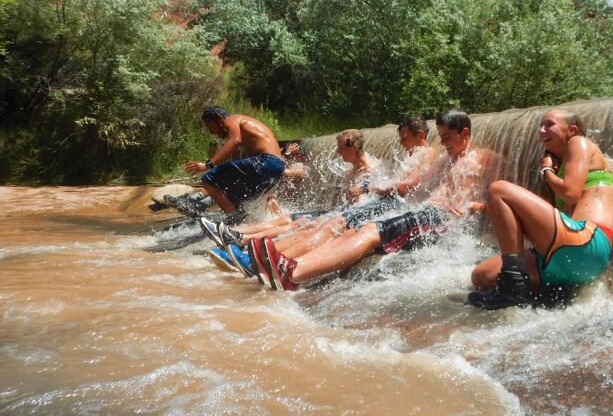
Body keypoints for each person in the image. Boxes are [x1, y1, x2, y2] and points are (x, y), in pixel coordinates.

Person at [256, 109, 494, 291]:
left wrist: (477, 206)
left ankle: (292, 275)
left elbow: (501, 196)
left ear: (465, 133)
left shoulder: (486, 158)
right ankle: (290, 264)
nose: (442, 143)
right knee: (352, 231)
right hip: (423, 212)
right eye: (440, 137)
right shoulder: (446, 160)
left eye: (447, 137)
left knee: (370, 231)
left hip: (441, 221)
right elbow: (416, 189)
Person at [224, 115, 438, 263]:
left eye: (405, 138)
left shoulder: (424, 155)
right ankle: (246, 245)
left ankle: (260, 255)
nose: (402, 144)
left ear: (420, 135)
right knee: (311, 222)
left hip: (390, 209)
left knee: (318, 224)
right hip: (378, 206)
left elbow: (402, 188)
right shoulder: (411, 157)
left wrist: (365, 187)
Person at [467, 108, 613, 310]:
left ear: (571, 130)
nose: (541, 130)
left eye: (549, 124)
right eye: (540, 125)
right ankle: (543, 295)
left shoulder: (579, 142)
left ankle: (513, 287)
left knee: (498, 190)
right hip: (569, 257)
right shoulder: (564, 166)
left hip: (587, 243)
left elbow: (570, 193)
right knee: (481, 276)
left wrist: (546, 171)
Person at [180, 106, 286, 215]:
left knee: (208, 178)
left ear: (219, 119)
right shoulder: (248, 135)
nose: (211, 132)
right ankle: (243, 220)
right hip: (276, 166)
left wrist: (208, 164)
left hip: (266, 161)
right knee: (233, 195)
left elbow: (235, 141)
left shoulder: (231, 119)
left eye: (210, 125)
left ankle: (234, 218)